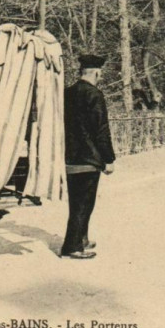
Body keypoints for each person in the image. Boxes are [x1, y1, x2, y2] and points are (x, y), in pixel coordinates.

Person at [61, 54, 115, 260]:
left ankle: (81, 238)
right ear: (96, 72)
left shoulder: (67, 93)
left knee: (77, 202)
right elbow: (101, 130)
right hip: (89, 159)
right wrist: (109, 159)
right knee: (84, 203)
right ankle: (72, 246)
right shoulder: (94, 94)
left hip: (70, 157)